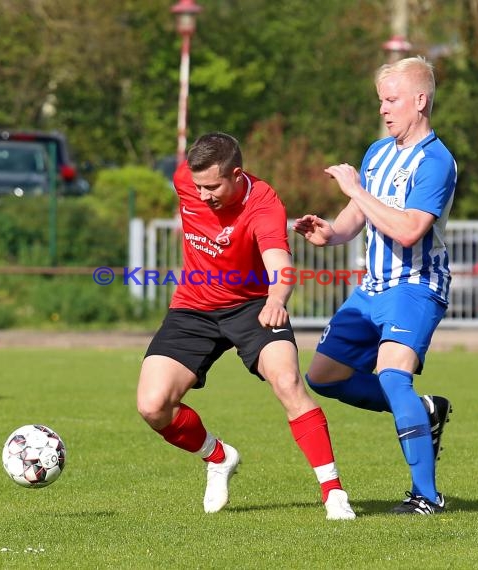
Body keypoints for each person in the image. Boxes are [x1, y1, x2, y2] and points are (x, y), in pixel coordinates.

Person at [137, 132, 356, 520]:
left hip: (254, 306)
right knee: (153, 406)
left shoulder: (264, 204)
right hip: (194, 305)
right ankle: (218, 457)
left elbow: (279, 265)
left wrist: (276, 299)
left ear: (237, 175)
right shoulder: (186, 178)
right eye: (198, 186)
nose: (202, 195)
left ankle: (333, 493)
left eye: (213, 187)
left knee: (287, 382)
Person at [293, 56, 455, 515]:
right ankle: (422, 412)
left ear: (420, 101)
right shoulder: (378, 151)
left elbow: (408, 230)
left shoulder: (436, 162)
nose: (384, 109)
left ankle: (427, 496)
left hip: (416, 285)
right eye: (381, 100)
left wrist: (355, 190)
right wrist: (328, 231)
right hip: (372, 287)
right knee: (323, 376)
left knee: (390, 374)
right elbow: (355, 220)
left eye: (392, 100)